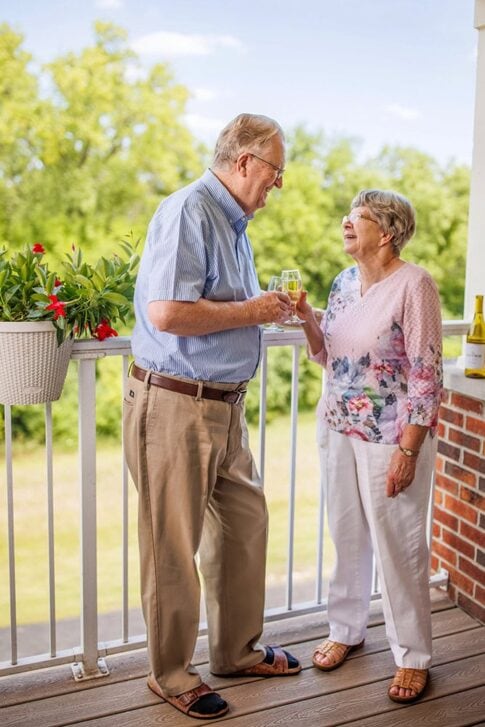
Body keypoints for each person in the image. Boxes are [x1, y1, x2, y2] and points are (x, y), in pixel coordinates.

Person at [123, 113, 301, 721]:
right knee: (173, 546)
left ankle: (236, 651)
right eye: (275, 169)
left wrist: (261, 310)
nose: (279, 183)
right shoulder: (189, 211)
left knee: (244, 526)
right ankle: (170, 673)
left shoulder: (235, 224)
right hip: (175, 404)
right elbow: (169, 313)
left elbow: (222, 308)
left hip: (224, 408)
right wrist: (254, 309)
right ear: (245, 161)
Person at [296, 189, 443, 704]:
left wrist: (409, 450)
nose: (344, 222)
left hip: (390, 437)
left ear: (386, 231)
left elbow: (426, 376)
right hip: (337, 425)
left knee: (400, 546)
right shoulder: (341, 283)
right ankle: (346, 629)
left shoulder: (414, 284)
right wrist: (305, 316)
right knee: (346, 534)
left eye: (355, 217)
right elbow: (328, 355)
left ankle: (413, 656)